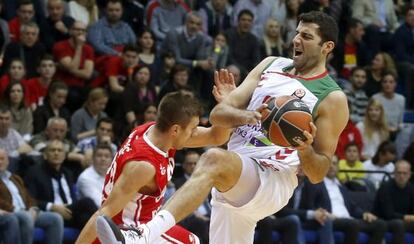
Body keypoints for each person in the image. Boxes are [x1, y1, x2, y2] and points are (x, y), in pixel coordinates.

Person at [97, 11, 349, 244]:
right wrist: (246, 114)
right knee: (220, 164)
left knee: (213, 159)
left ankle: (142, 236)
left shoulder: (332, 98)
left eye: (306, 36)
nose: (296, 40)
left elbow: (318, 173)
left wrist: (304, 149)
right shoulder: (271, 64)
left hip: (273, 178)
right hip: (234, 177)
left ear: (327, 47)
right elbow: (218, 115)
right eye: (296, 33)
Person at [75, 91, 233, 243]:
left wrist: (226, 104)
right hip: (128, 230)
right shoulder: (144, 166)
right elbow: (104, 213)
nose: (194, 133)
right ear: (175, 130)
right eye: (192, 129)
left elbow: (216, 136)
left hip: (146, 222)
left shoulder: (156, 131)